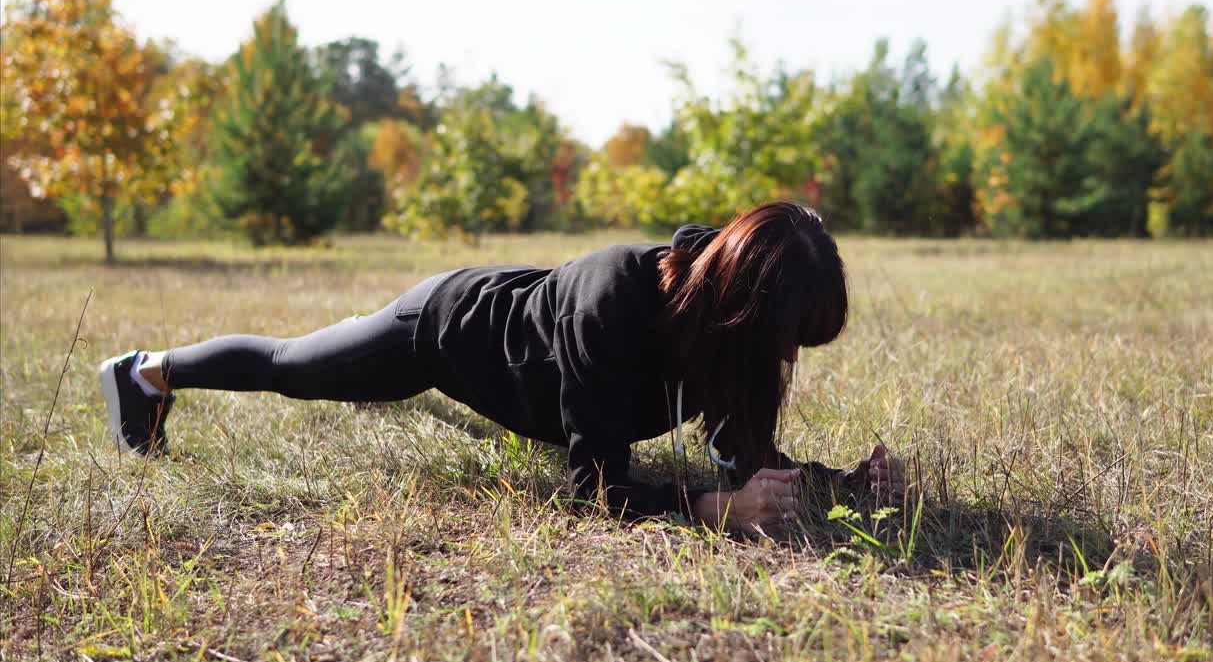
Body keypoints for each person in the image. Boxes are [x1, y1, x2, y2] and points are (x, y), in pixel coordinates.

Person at [99, 201, 904, 532]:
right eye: (789, 333)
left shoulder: (729, 338)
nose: (791, 355)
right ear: (742, 306)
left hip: (537, 334)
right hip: (450, 331)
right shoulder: (615, 305)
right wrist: (707, 508)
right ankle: (144, 374)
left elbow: (747, 460)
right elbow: (592, 486)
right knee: (297, 365)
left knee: (336, 369)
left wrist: (842, 487)